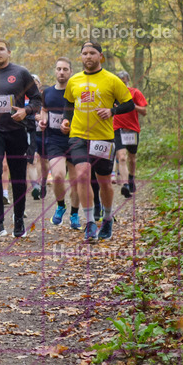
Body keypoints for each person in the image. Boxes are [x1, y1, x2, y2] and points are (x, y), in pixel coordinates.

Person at [61, 42, 134, 243]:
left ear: (100, 56)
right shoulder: (74, 80)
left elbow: (129, 103)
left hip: (103, 137)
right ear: (81, 57)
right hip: (78, 136)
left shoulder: (111, 80)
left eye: (92, 53)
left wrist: (112, 111)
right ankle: (90, 223)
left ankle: (108, 218)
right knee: (83, 175)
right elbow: (68, 102)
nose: (88, 56)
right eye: (84, 53)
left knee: (104, 182)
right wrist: (66, 119)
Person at [0, 40, 42, 239]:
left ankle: (19, 219)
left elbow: (37, 99)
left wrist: (26, 111)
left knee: (17, 176)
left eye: (1, 49)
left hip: (16, 130)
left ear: (9, 52)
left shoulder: (20, 73)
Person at [38, 57, 74, 227]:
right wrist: (42, 120)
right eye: (59, 69)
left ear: (70, 72)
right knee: (58, 176)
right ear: (55, 71)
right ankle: (61, 206)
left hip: (75, 140)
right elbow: (44, 111)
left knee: (77, 181)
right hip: (54, 140)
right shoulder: (48, 92)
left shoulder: (76, 91)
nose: (61, 72)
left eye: (65, 69)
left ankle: (75, 214)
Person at [113, 70, 148, 197]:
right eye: (119, 82)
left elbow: (144, 111)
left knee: (132, 158)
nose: (122, 84)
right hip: (117, 128)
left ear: (128, 81)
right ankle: (125, 185)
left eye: (124, 81)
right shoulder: (112, 95)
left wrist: (132, 105)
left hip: (132, 129)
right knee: (122, 157)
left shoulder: (135, 92)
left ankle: (131, 178)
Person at [28, 73, 46, 200]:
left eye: (35, 83)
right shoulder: (24, 98)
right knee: (33, 160)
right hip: (31, 132)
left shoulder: (46, 96)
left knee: (43, 161)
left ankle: (42, 182)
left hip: (44, 133)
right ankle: (36, 186)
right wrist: (33, 117)